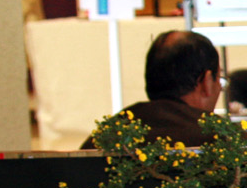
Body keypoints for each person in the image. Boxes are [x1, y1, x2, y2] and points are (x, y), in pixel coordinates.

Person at [81, 29, 221, 148]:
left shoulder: (102, 139)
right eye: (220, 80)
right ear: (207, 81)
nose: (220, 87)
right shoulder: (223, 140)